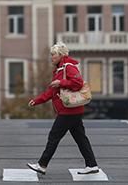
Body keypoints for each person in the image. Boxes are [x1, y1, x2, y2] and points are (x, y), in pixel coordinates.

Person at [26, 42, 99, 175]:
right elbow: (51, 92)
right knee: (81, 138)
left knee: (54, 136)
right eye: (51, 55)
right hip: (72, 110)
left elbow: (78, 83)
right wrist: (36, 101)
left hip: (69, 111)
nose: (51, 57)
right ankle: (92, 164)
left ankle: (42, 165)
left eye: (53, 54)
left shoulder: (69, 67)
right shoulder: (59, 70)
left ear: (61, 55)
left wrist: (61, 82)